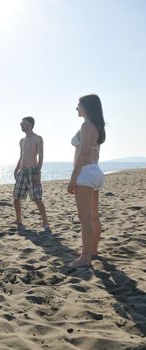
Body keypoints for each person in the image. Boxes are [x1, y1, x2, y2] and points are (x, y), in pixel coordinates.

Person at [66, 94, 105, 268]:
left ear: (86, 107)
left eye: (78, 105)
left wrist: (73, 178)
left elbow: (83, 154)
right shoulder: (97, 126)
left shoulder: (86, 125)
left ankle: (85, 258)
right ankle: (93, 251)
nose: (76, 108)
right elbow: (94, 153)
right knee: (94, 216)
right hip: (95, 171)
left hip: (86, 172)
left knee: (85, 218)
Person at [13, 117, 50, 230]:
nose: (21, 125)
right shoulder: (22, 140)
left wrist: (37, 172)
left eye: (23, 124)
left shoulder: (38, 138)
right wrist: (16, 169)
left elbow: (41, 157)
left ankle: (45, 222)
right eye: (21, 123)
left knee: (36, 198)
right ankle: (18, 219)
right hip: (22, 171)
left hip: (32, 170)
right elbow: (21, 156)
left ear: (30, 125)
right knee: (16, 196)